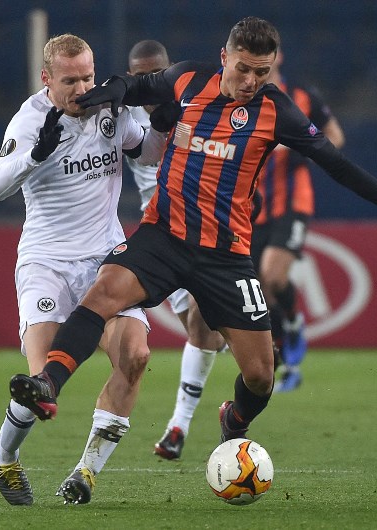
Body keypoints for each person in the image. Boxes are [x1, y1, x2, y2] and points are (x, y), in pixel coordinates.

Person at [9, 16, 377, 479]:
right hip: (165, 236)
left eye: (262, 72)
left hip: (225, 255)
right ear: (225, 57)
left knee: (261, 374)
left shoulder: (276, 110)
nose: (251, 82)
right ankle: (47, 382)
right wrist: (114, 90)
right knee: (102, 293)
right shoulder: (188, 78)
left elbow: (337, 165)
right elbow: (138, 84)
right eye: (243, 69)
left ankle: (232, 419)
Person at [0, 33, 168, 506]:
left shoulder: (110, 107)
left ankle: (86, 472)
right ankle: (4, 453)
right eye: (70, 80)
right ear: (47, 79)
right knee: (41, 390)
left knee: (136, 356)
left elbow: (147, 152)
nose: (82, 87)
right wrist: (36, 155)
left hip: (105, 258)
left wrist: (163, 122)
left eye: (87, 76)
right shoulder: (30, 120)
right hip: (46, 261)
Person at [125, 39, 226, 461]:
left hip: (203, 225)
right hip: (158, 233)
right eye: (141, 76)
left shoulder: (196, 104)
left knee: (204, 329)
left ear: (169, 72)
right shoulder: (121, 115)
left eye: (157, 74)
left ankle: (178, 427)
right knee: (206, 333)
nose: (150, 83)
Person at [251, 49, 346, 393]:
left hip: (293, 202)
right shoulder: (241, 99)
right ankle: (285, 361)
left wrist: (301, 147)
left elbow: (335, 136)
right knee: (258, 289)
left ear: (278, 57)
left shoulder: (303, 97)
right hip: (251, 206)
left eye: (266, 56)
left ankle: (293, 322)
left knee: (273, 276)